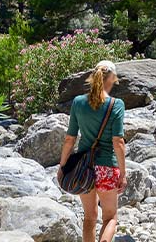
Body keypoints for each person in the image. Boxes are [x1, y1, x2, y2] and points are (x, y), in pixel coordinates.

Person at [60, 60, 126, 242]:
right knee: (110, 217)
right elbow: (118, 142)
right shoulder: (116, 104)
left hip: (83, 168)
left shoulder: (78, 102)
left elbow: (69, 139)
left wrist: (63, 165)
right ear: (112, 78)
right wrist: (123, 173)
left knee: (89, 216)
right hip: (106, 167)